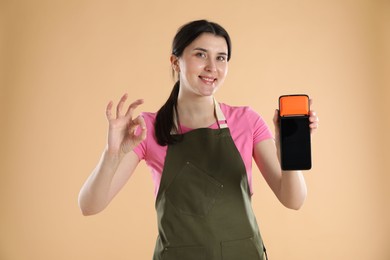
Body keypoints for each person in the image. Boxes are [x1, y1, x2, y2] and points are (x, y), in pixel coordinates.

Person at [78, 19, 319, 260]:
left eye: (221, 58)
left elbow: (293, 199)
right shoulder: (146, 128)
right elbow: (89, 206)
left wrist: (288, 151)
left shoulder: (247, 121)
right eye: (201, 55)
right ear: (175, 61)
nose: (212, 67)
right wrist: (112, 154)